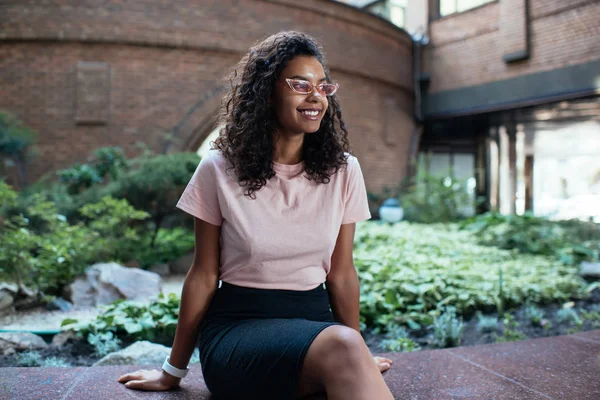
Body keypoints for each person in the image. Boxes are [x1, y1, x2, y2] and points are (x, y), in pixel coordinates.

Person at [117, 31, 394, 399]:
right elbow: (203, 274)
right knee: (344, 347)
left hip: (317, 329)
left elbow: (341, 273)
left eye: (323, 87)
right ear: (267, 91)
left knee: (346, 349)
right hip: (238, 331)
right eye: (300, 84)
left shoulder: (344, 170)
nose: (315, 96)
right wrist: (173, 371)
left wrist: (357, 353)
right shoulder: (218, 168)